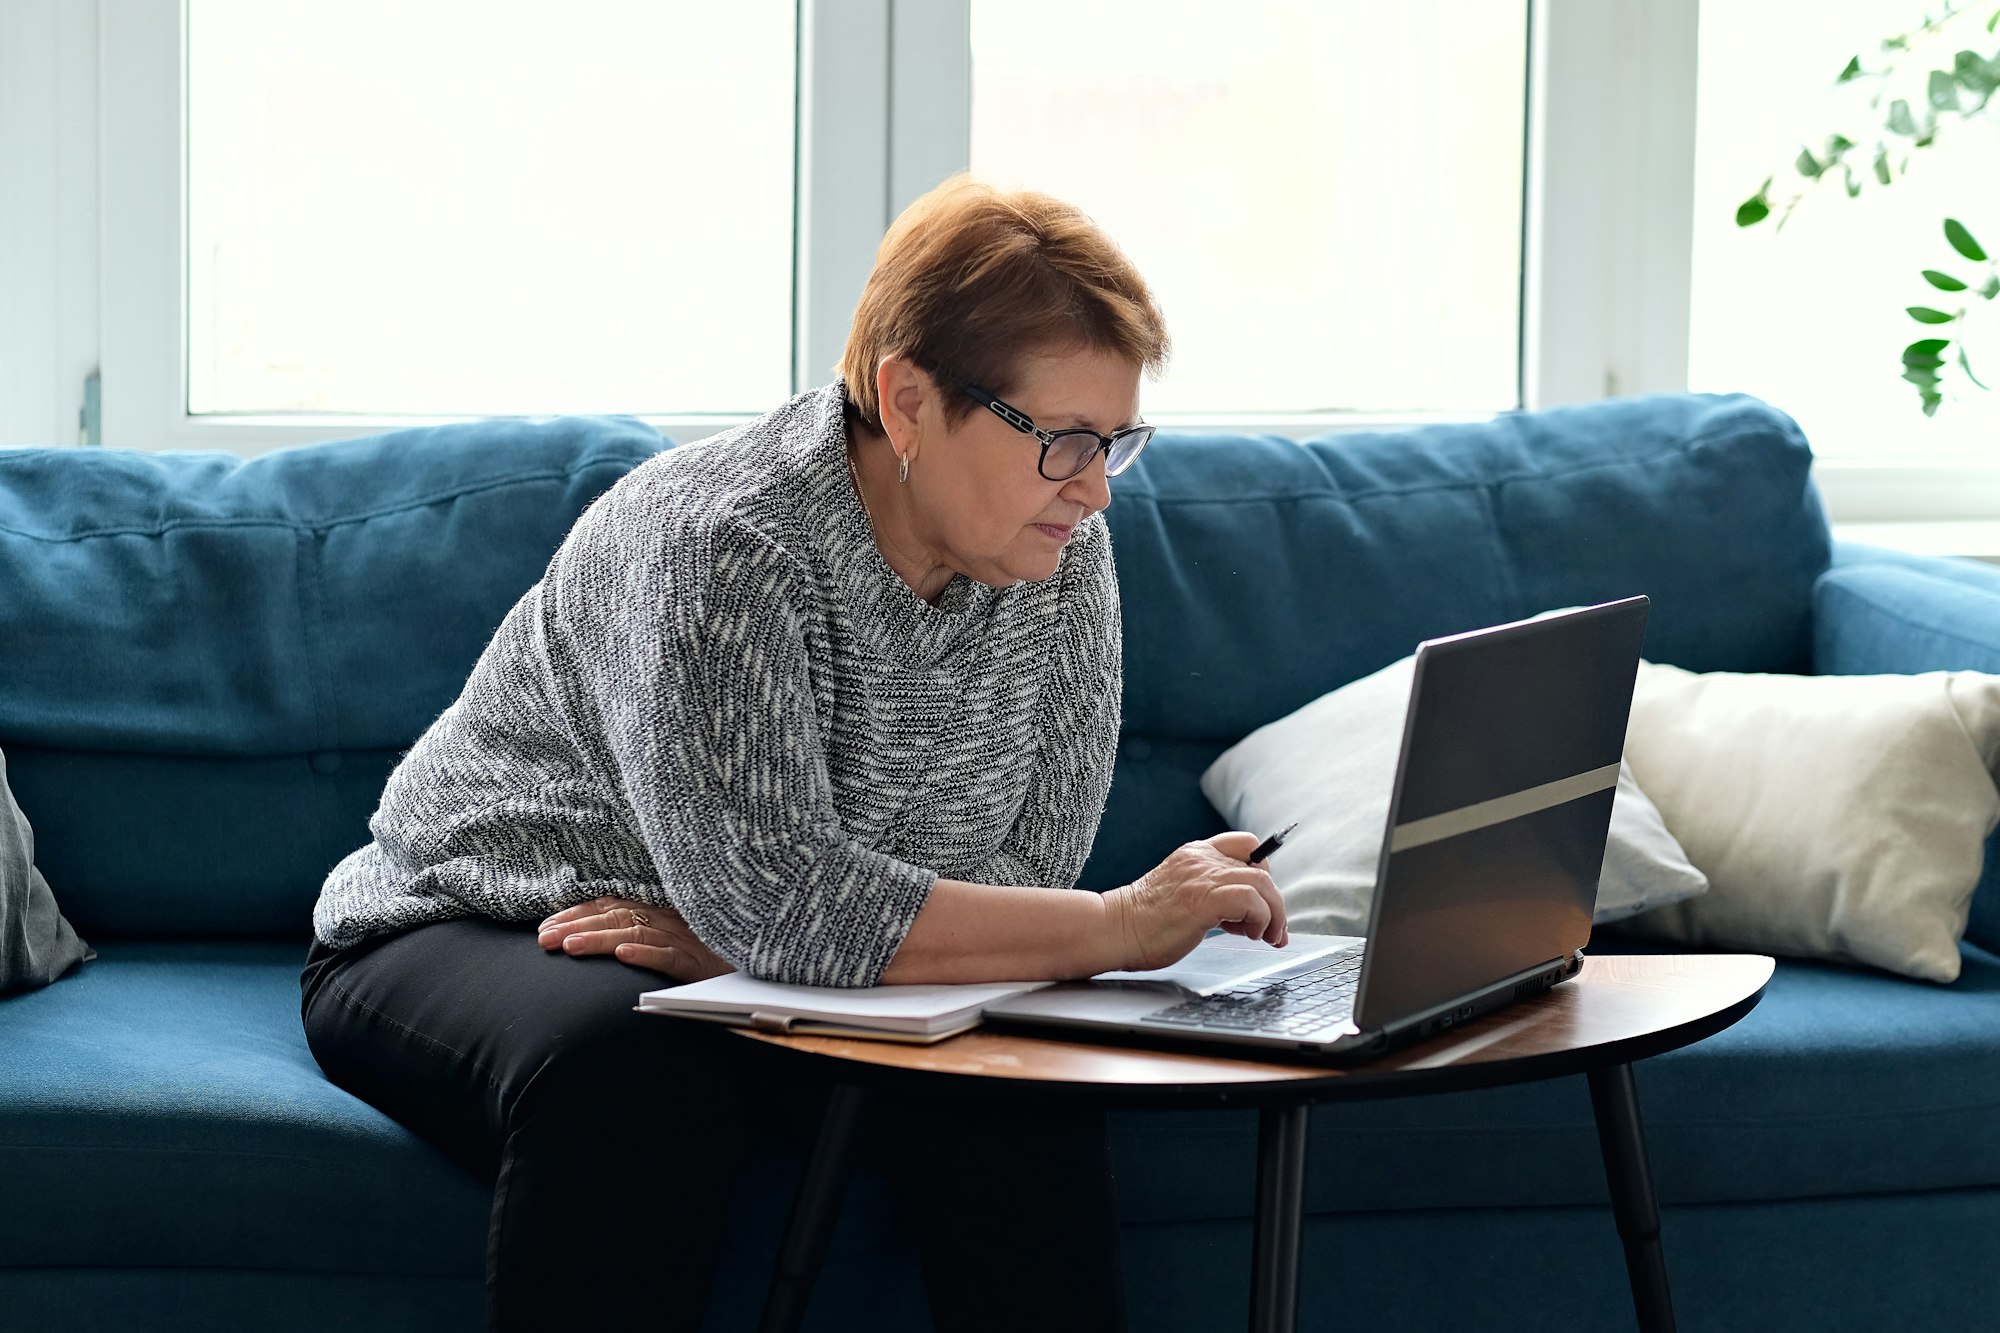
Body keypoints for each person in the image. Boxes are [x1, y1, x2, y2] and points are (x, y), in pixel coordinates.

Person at [300, 175, 1289, 1333]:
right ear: (907, 399)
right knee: (631, 1072)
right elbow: (796, 908)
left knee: (1018, 1087)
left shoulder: (1059, 552)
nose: (1092, 489)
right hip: (476, 919)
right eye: (1063, 440)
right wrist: (1115, 924)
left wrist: (771, 949)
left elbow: (1016, 877)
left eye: (1116, 445)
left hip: (737, 939)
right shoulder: (727, 540)